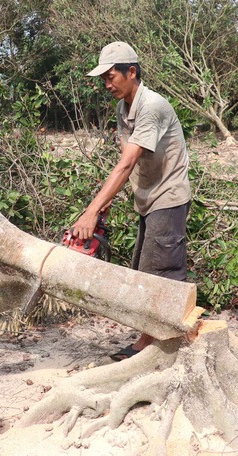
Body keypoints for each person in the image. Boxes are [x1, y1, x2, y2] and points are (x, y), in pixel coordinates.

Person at [71, 41, 192, 361]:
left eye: (111, 77)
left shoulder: (151, 106)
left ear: (132, 72)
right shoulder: (124, 107)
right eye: (104, 80)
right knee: (144, 268)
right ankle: (151, 340)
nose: (107, 85)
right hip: (148, 195)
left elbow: (124, 164)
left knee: (162, 270)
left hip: (168, 194)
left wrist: (91, 211)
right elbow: (130, 159)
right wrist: (107, 202)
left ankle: (162, 346)